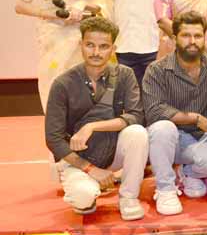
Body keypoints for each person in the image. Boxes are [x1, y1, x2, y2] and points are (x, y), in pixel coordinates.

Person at [44, 17, 149, 220]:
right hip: (79, 160)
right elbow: (53, 139)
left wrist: (92, 126)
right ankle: (86, 189)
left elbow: (136, 116)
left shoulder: (124, 75)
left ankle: (128, 197)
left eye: (103, 46)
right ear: (81, 45)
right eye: (90, 45)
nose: (96, 52)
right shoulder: (62, 84)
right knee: (83, 199)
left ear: (113, 49)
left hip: (113, 151)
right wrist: (91, 169)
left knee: (138, 133)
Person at [143, 11, 207, 209]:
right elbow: (154, 110)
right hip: (170, 140)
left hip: (202, 138)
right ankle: (165, 189)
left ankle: (187, 172)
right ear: (174, 38)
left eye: (198, 36)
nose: (192, 41)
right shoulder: (157, 70)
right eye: (186, 35)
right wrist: (195, 118)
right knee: (162, 128)